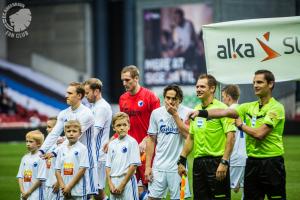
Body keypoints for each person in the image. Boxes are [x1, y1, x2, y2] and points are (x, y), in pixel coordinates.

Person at [192, 70, 286, 200]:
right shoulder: (249, 107)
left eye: (259, 82)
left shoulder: (276, 107)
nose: (255, 85)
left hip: (272, 163)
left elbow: (260, 134)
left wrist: (241, 126)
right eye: (254, 82)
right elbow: (224, 112)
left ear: (270, 84)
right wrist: (201, 113)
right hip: (251, 162)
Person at [167, 74, 236, 199]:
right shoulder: (196, 109)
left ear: (212, 89)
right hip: (199, 164)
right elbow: (191, 137)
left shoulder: (222, 109)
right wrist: (181, 160)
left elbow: (231, 137)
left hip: (217, 162)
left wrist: (224, 162)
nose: (198, 89)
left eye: (202, 86)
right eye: (197, 86)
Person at [39, 82, 98, 196]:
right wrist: (41, 151)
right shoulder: (63, 113)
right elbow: (54, 133)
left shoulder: (86, 114)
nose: (66, 95)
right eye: (67, 93)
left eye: (70, 93)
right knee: (67, 193)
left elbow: (73, 138)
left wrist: (54, 152)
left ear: (79, 96)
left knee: (86, 194)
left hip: (85, 159)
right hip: (68, 158)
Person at [119, 65, 160, 195]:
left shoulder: (150, 97)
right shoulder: (123, 98)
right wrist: (113, 140)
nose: (124, 83)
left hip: (148, 148)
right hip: (130, 148)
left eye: (127, 80)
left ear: (136, 78)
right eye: (123, 80)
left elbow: (158, 124)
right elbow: (122, 124)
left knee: (150, 185)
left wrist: (146, 139)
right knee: (131, 186)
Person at [145, 84, 191, 199]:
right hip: (158, 166)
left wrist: (175, 115)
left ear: (180, 99)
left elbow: (189, 136)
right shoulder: (156, 113)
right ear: (164, 98)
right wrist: (147, 167)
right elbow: (151, 140)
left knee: (179, 198)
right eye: (167, 98)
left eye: (174, 99)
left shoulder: (188, 113)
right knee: (152, 198)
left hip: (178, 167)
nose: (170, 101)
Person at [84, 78, 112, 200]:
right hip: (94, 154)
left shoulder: (101, 107)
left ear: (96, 91)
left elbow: (94, 132)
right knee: (96, 191)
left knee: (91, 190)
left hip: (98, 155)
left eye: (87, 92)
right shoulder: (95, 106)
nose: (85, 96)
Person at [106, 112, 140, 200]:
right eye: (118, 125)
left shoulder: (132, 142)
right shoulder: (112, 144)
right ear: (113, 127)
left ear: (129, 126)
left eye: (124, 125)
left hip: (127, 181)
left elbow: (133, 166)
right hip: (113, 181)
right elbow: (108, 166)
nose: (122, 128)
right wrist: (110, 184)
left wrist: (122, 185)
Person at [221, 85, 247, 198]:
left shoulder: (229, 112)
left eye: (223, 97)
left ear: (228, 97)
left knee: (221, 190)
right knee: (248, 191)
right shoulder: (244, 110)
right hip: (247, 156)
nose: (222, 100)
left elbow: (229, 136)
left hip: (234, 156)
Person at [55, 120, 89, 200]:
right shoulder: (61, 149)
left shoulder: (82, 148)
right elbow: (57, 170)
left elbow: (82, 169)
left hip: (78, 191)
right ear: (65, 133)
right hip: (63, 190)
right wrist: (63, 186)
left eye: (74, 131)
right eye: (68, 131)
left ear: (80, 133)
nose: (71, 133)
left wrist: (69, 186)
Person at [17, 130, 46, 200]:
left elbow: (40, 179)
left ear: (39, 144)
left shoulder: (42, 157)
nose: (28, 144)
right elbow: (20, 176)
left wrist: (29, 192)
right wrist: (22, 191)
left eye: (31, 142)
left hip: (36, 194)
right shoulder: (25, 157)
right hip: (24, 194)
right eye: (27, 141)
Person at [44, 116, 61, 200]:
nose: (47, 129)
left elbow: (65, 165)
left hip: (55, 184)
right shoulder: (47, 143)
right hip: (46, 183)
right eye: (47, 127)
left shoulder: (61, 144)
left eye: (49, 127)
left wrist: (58, 182)